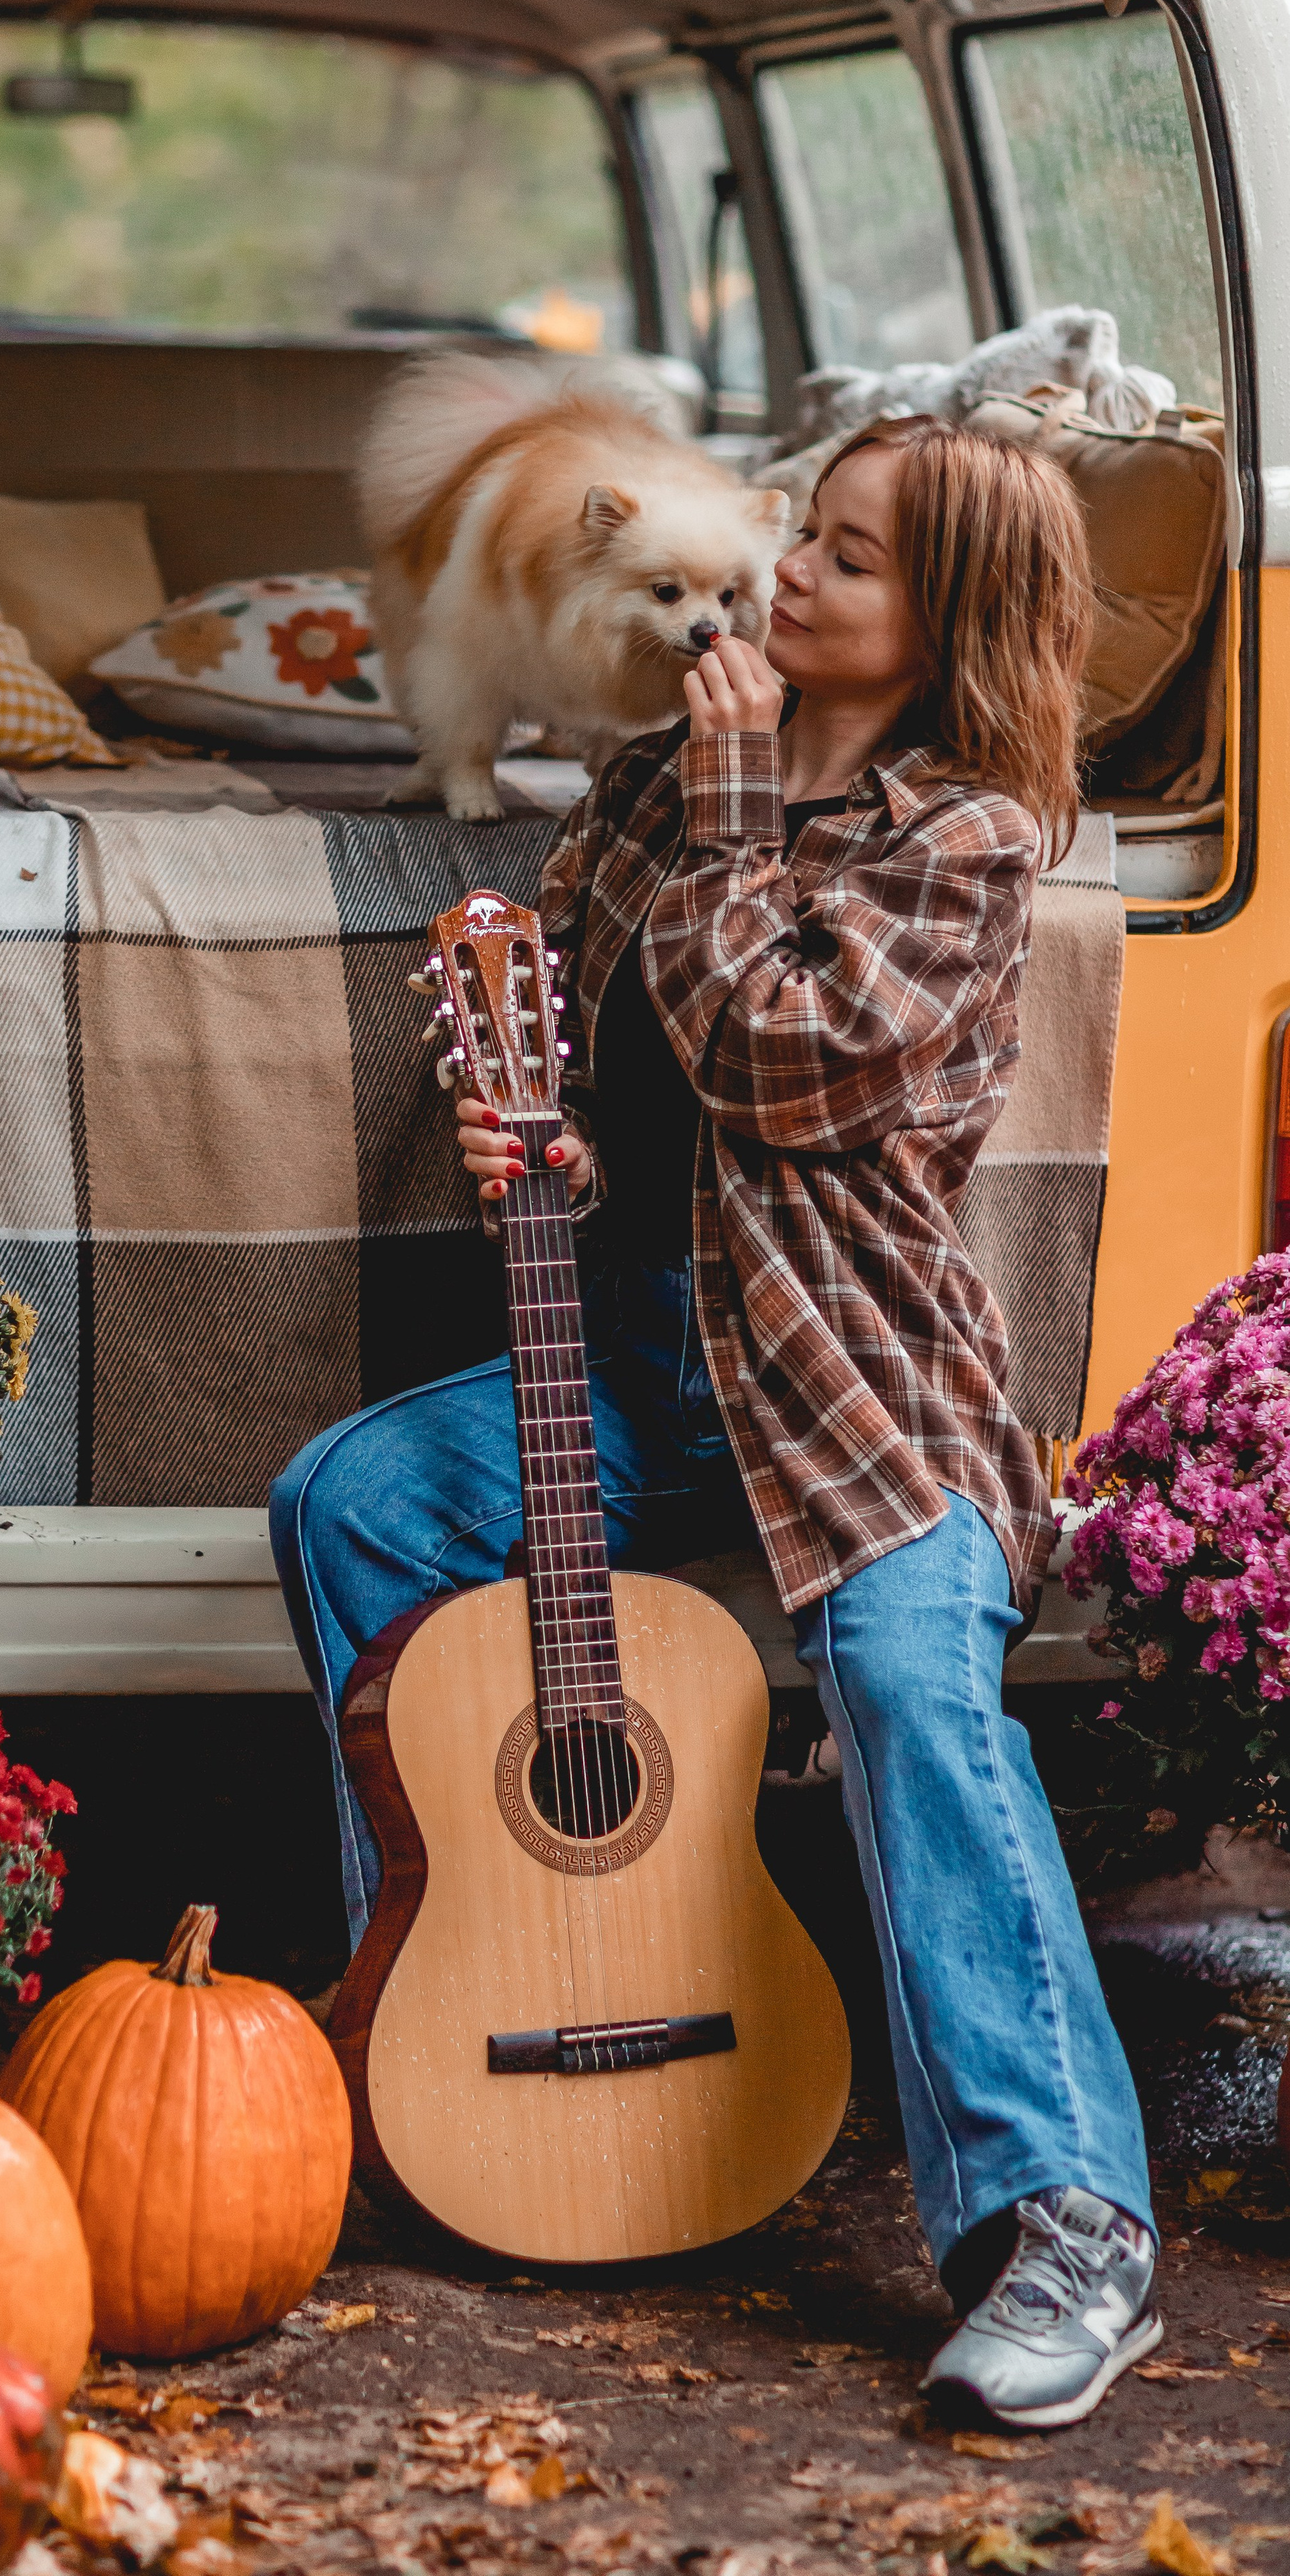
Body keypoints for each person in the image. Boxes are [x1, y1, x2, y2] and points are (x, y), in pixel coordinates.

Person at [269, 417, 1158, 2432]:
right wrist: (546, 1140)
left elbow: (777, 1067)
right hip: (648, 1358)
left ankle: (1067, 2225)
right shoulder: (650, 778)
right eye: (806, 534)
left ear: (952, 618)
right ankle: (445, 2011)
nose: (787, 579)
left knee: (912, 1680)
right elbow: (608, 1063)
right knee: (355, 1501)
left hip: (860, 1378)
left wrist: (744, 806)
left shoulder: (965, 839)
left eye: (848, 558)